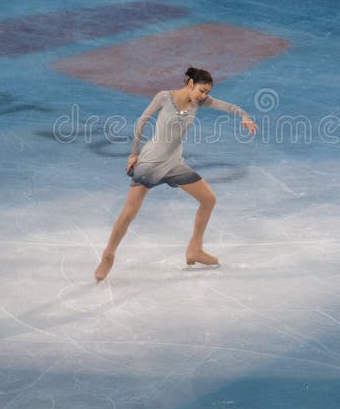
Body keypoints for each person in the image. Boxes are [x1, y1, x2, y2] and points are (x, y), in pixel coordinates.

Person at [94, 66, 258, 281]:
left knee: (208, 199)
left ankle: (195, 249)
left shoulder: (199, 101)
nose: (204, 96)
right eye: (201, 90)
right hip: (151, 162)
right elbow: (142, 122)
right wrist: (133, 154)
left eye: (207, 92)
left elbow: (229, 107)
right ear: (190, 84)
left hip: (174, 164)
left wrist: (244, 116)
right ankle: (108, 254)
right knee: (129, 212)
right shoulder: (164, 97)